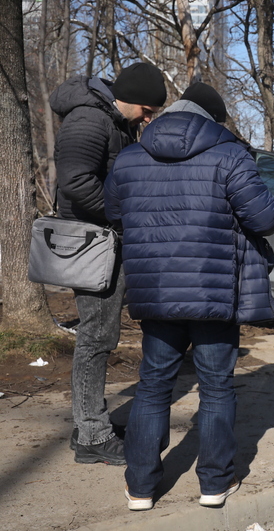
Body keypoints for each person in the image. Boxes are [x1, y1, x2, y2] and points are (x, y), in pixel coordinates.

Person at [104, 82, 274, 510]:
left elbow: (114, 213)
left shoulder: (129, 158)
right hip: (214, 289)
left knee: (153, 387)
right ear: (212, 121)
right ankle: (214, 485)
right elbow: (266, 219)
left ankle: (141, 489)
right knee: (217, 387)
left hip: (156, 288)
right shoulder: (230, 155)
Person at [51, 62, 167, 465]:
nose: (149, 118)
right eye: (148, 110)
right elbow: (76, 181)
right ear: (132, 99)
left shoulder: (111, 121)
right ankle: (92, 435)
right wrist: (121, 215)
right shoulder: (90, 120)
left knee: (99, 336)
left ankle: (88, 423)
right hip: (93, 241)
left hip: (102, 239)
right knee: (96, 338)